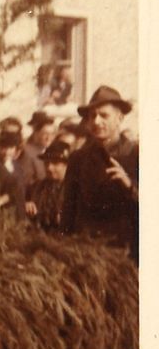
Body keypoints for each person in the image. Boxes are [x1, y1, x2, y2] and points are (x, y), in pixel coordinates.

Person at [60, 86, 138, 259]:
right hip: (86, 254)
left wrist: (129, 185)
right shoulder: (78, 159)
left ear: (119, 118)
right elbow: (68, 211)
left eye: (104, 115)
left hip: (127, 253)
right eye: (92, 116)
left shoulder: (136, 155)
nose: (96, 121)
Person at [25, 140, 69, 231]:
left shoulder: (76, 188)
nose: (49, 168)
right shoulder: (36, 187)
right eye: (47, 163)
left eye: (55, 163)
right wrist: (27, 205)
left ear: (67, 165)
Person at [13, 111, 55, 194]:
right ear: (36, 133)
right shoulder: (27, 152)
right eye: (45, 134)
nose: (49, 137)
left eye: (52, 134)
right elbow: (25, 182)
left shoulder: (49, 151)